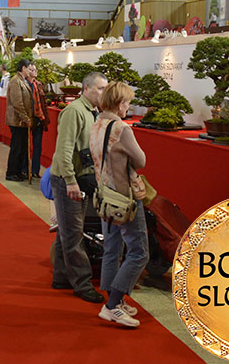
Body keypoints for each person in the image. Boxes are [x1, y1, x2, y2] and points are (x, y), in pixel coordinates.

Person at [91, 81, 149, 328]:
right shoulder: (122, 129)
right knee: (139, 251)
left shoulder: (97, 123)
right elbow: (141, 160)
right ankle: (112, 304)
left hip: (104, 195)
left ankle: (113, 298)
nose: (129, 106)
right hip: (124, 199)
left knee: (112, 249)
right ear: (118, 103)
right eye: (126, 102)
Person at [50, 70, 108, 303]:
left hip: (82, 179)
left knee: (67, 231)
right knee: (74, 233)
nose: (104, 93)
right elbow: (63, 150)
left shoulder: (94, 113)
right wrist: (70, 181)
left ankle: (61, 276)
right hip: (68, 180)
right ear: (86, 88)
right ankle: (82, 284)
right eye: (100, 88)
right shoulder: (74, 112)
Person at [4, 60, 33, 181]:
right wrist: (26, 118)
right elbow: (17, 103)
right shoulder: (15, 81)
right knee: (16, 148)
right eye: (29, 69)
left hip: (22, 121)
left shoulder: (23, 81)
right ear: (23, 68)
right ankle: (11, 172)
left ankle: (19, 171)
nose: (30, 71)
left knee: (22, 148)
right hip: (17, 120)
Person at [27, 63, 50, 180]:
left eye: (35, 69)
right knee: (25, 145)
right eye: (31, 69)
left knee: (37, 146)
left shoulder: (38, 85)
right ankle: (26, 169)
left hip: (39, 118)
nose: (34, 71)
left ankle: (35, 170)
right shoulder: (25, 84)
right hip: (28, 118)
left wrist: (45, 118)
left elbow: (43, 103)